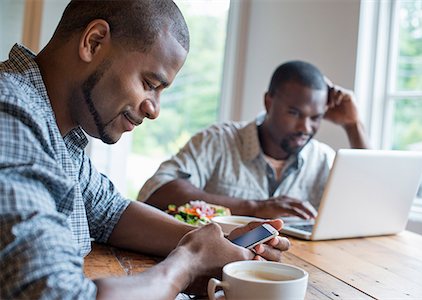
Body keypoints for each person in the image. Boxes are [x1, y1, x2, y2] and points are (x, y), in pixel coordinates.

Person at [0, 1, 290, 299]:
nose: (154, 110)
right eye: (149, 83)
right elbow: (55, 294)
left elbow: (110, 212)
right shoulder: (9, 113)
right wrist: (188, 264)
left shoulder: (56, 129)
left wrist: (216, 242)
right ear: (94, 42)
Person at [138, 60, 370, 219]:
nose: (305, 128)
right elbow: (155, 193)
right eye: (295, 113)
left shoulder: (323, 159)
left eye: (316, 117)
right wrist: (253, 208)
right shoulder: (218, 141)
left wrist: (353, 125)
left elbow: (370, 206)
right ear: (269, 102)